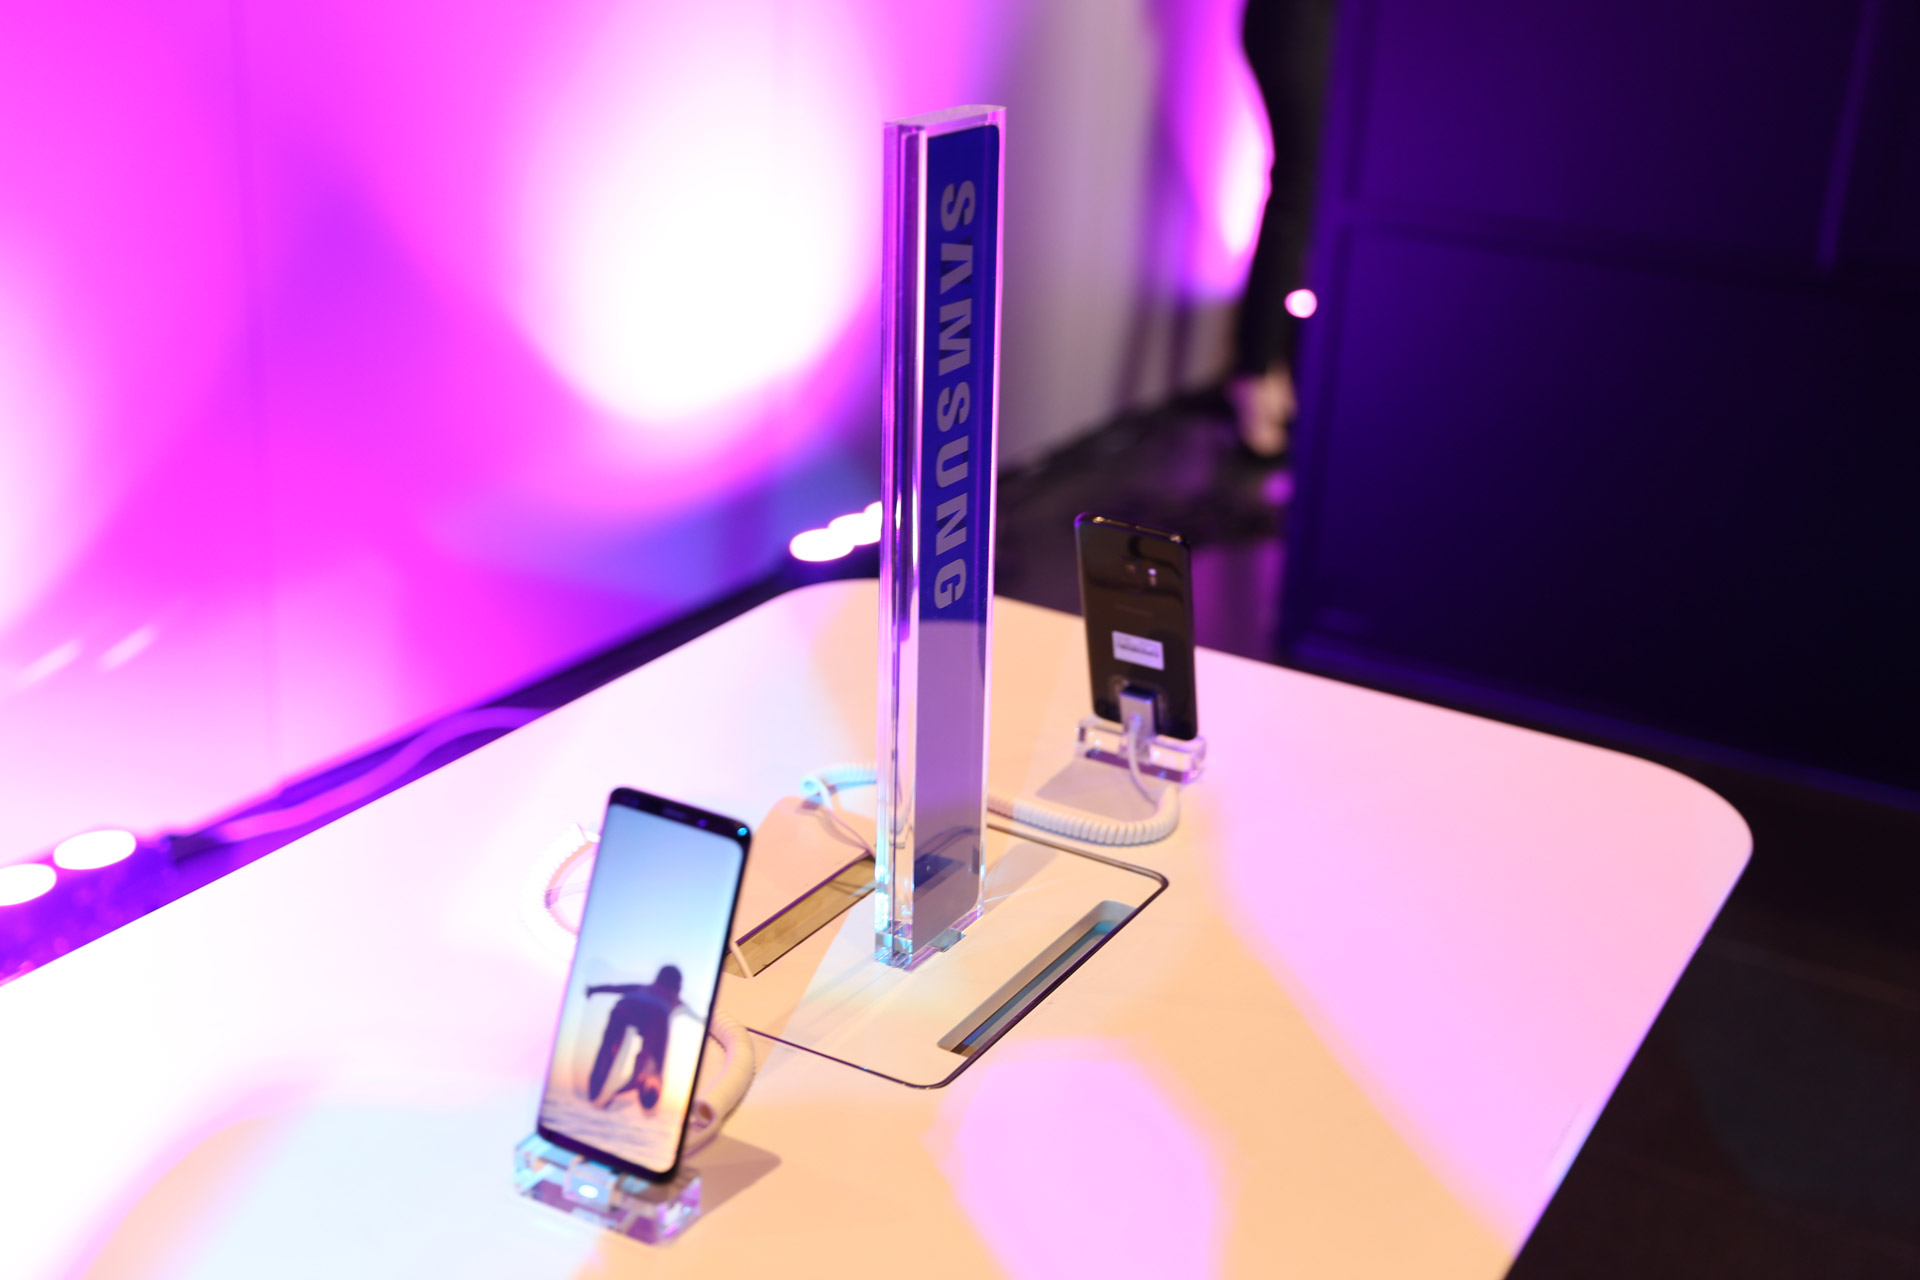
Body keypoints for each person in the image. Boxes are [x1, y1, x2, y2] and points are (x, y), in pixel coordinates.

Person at [1229, 0, 1337, 459]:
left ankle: (1273, 368)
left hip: (1331, 24)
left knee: (1314, 193)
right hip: (1299, 18)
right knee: (1299, 189)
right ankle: (1255, 371)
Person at [584, 965, 694, 1110]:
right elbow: (695, 1015)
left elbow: (615, 988)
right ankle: (644, 1086)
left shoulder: (642, 987)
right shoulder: (674, 999)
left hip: (626, 1006)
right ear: (677, 989)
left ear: (657, 980)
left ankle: (595, 1090)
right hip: (656, 1015)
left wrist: (593, 990)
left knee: (609, 1048)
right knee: (653, 1058)